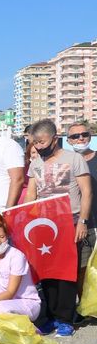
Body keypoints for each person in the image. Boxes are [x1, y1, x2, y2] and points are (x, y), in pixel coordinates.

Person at [25, 119, 92, 337]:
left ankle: (65, 319)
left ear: (55, 139)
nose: (39, 147)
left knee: (67, 273)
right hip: (45, 224)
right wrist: (25, 219)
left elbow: (86, 192)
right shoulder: (35, 164)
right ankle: (50, 317)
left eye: (42, 142)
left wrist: (82, 221)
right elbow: (31, 195)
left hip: (70, 221)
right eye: (35, 143)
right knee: (47, 273)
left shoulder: (74, 159)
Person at [66, 121, 97, 288]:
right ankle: (84, 309)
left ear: (90, 137)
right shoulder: (66, 162)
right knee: (81, 270)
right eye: (75, 136)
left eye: (84, 135)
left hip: (95, 224)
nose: (80, 138)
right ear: (69, 140)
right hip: (78, 226)